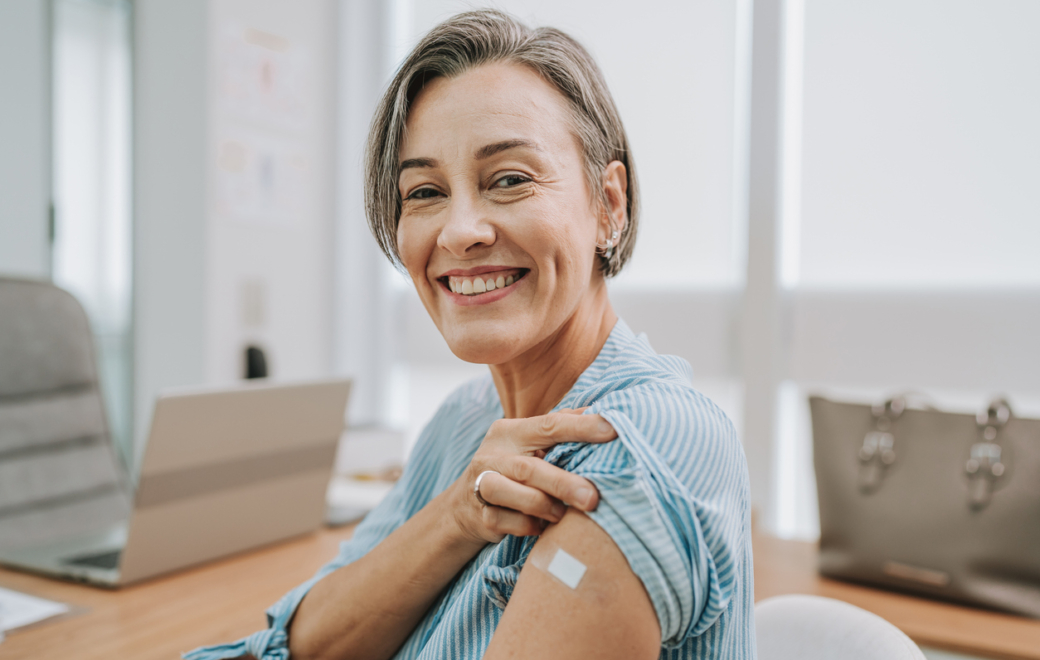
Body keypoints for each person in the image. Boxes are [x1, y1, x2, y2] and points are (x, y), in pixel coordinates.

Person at [187, 9, 754, 660]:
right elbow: (306, 641)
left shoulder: (637, 452)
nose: (459, 232)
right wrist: (455, 517)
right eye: (424, 191)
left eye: (509, 179)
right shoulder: (465, 423)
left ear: (610, 205)